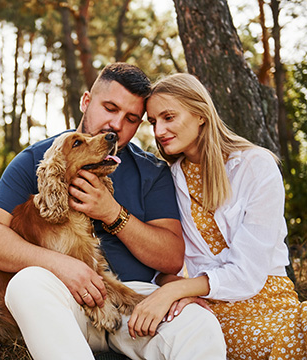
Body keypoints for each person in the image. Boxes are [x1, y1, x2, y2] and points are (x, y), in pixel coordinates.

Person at [0, 63, 226, 359]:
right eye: (110, 108)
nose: (116, 125)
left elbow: (171, 257)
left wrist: (113, 214)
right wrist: (61, 267)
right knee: (25, 285)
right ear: (86, 101)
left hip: (134, 301)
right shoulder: (37, 160)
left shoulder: (152, 172)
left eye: (131, 118)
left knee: (200, 324)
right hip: (64, 299)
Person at [129, 72, 307, 359]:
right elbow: (164, 261)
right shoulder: (168, 180)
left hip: (271, 299)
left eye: (168, 117)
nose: (159, 130)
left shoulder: (255, 166)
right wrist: (175, 289)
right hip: (210, 309)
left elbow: (247, 273)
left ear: (200, 114)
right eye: (153, 122)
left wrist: (175, 290)